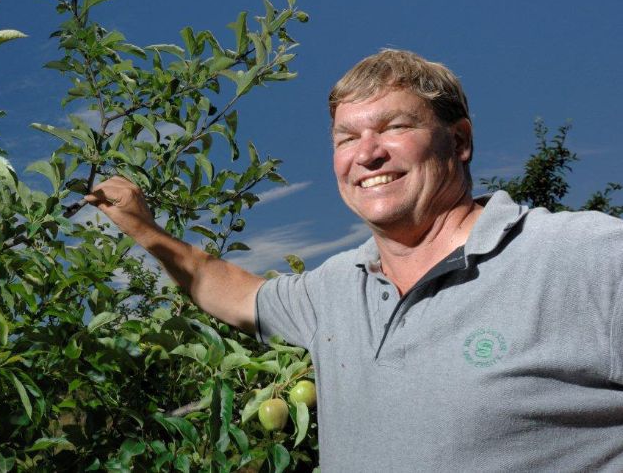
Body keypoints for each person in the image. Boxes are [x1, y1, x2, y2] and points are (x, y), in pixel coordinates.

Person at [85, 49, 623, 471]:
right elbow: (228, 288)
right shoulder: (337, 288)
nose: (368, 153)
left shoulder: (582, 257)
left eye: (394, 127)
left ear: (459, 141)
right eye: (348, 137)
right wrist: (141, 226)